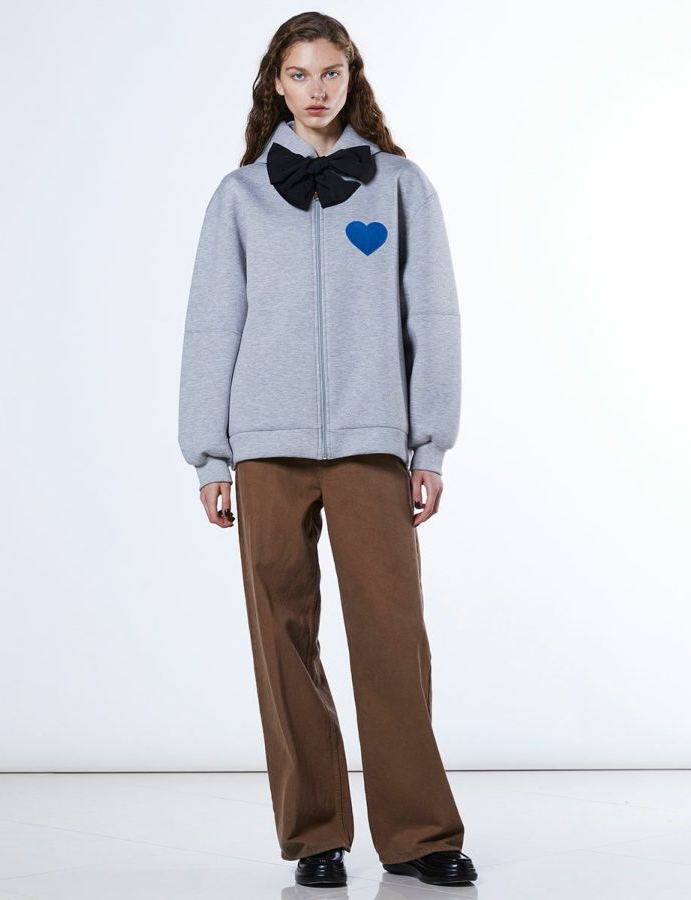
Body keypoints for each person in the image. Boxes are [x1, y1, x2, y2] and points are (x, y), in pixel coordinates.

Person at [177, 11, 477, 889]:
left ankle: (419, 835)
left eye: (331, 73)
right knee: (282, 639)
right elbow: (211, 326)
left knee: (391, 636)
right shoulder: (238, 197)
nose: (316, 90)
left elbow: (433, 316)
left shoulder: (400, 186)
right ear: (277, 83)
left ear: (353, 78)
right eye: (300, 74)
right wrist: (210, 456)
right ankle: (316, 836)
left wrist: (430, 445)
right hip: (262, 446)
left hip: (372, 442)